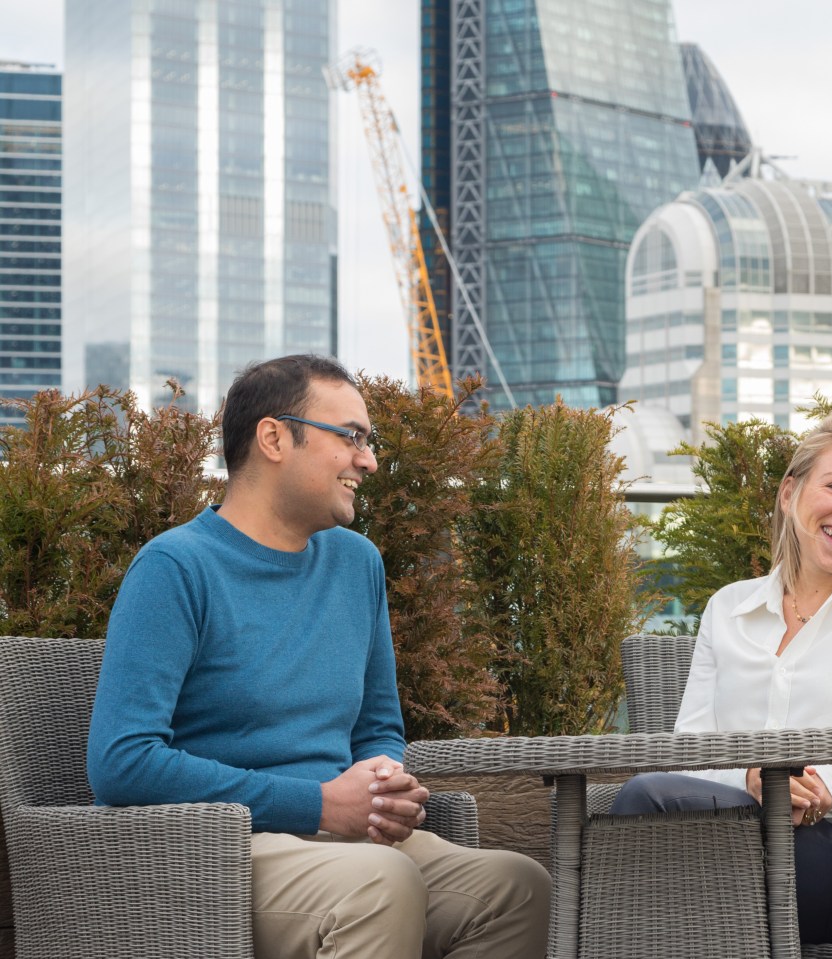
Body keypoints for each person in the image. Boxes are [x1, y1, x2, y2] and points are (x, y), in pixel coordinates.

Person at [87, 355, 550, 959]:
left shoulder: (357, 564)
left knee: (514, 887)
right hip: (218, 851)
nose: (369, 459)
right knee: (381, 884)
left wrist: (381, 783)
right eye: (350, 436)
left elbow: (378, 726)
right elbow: (122, 762)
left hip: (347, 842)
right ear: (274, 438)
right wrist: (322, 805)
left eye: (368, 440)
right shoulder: (175, 568)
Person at [610, 411, 832, 944]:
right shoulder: (729, 608)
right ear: (789, 493)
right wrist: (751, 778)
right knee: (652, 820)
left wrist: (830, 780)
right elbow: (688, 752)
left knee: (646, 810)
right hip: (727, 829)